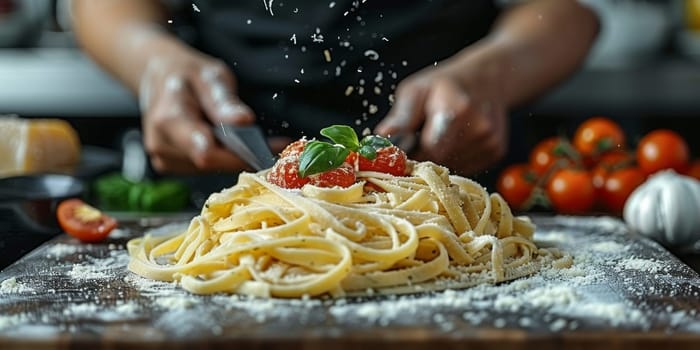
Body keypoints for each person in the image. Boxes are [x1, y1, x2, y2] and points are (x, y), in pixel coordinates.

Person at [72, 0, 598, 176]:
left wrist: (491, 75)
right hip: (225, 176)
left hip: (451, 187)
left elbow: (573, 14)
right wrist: (154, 64)